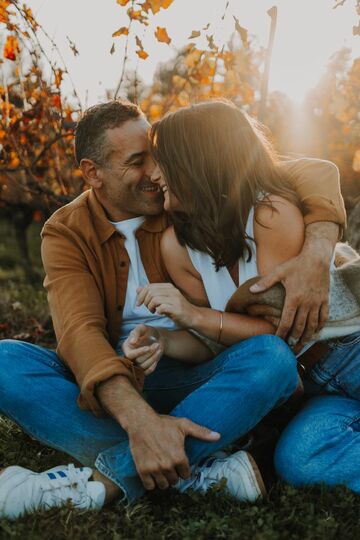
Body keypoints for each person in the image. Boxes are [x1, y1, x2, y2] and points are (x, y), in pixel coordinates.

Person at [0, 100, 346, 519]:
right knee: (6, 360)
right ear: (93, 173)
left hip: (205, 372)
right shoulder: (66, 231)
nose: (155, 173)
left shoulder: (187, 199)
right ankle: (190, 461)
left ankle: (107, 479)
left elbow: (313, 172)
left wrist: (317, 252)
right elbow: (78, 332)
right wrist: (139, 420)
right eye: (137, 161)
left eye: (157, 157)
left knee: (270, 360)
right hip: (123, 379)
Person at [133, 99, 359, 493]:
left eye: (161, 159)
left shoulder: (270, 213)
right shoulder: (178, 248)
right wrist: (164, 339)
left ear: (198, 161)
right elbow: (215, 344)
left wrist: (194, 316)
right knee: (301, 460)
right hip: (317, 385)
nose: (152, 173)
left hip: (350, 350)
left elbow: (280, 335)